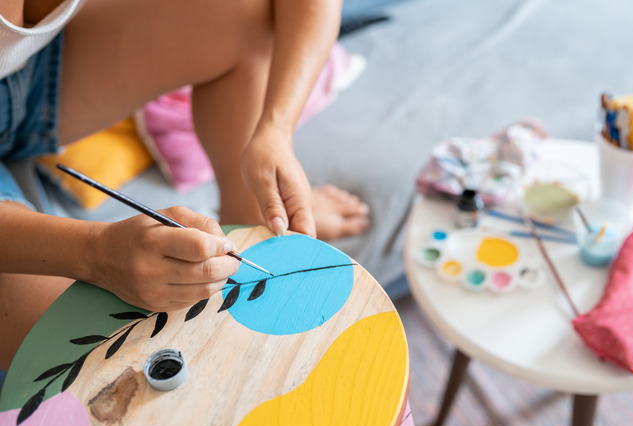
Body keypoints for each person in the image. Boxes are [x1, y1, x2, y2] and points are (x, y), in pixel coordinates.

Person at [0, 0, 369, 371]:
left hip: (24, 71)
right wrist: (98, 254)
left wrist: (275, 130)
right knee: (97, 360)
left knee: (244, 12)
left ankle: (253, 222)